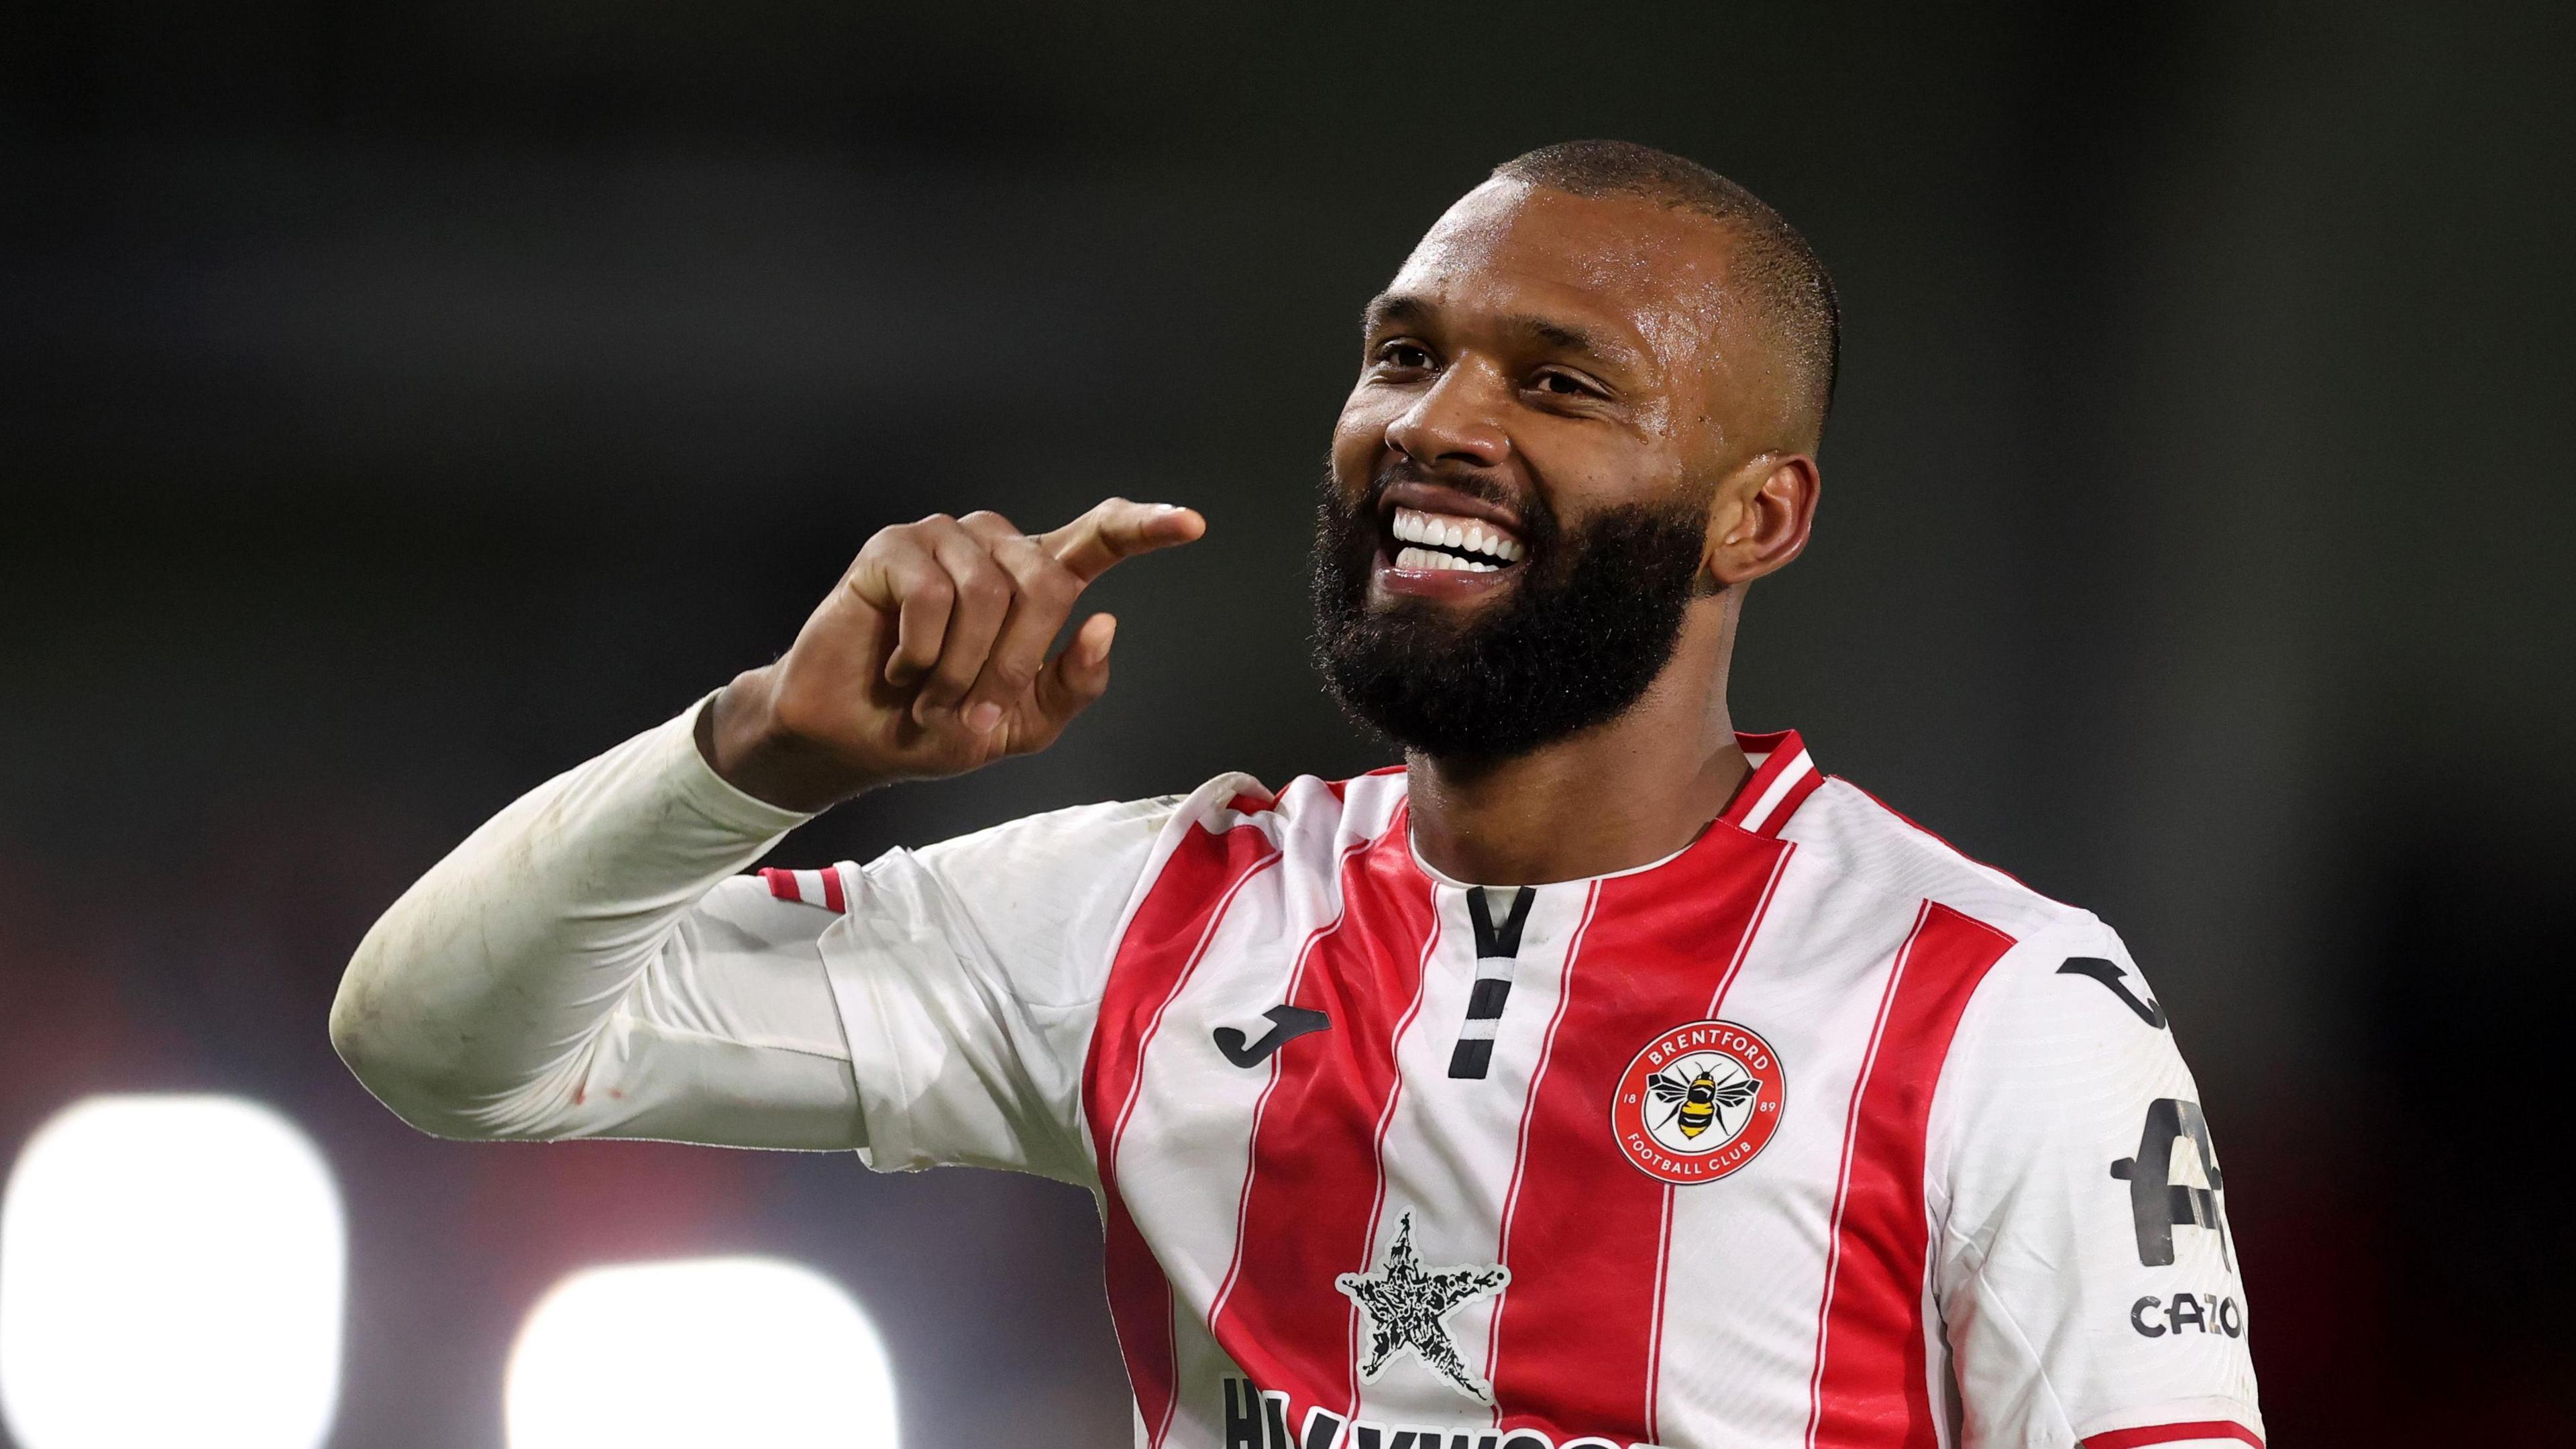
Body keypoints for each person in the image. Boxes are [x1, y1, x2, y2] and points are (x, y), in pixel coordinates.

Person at [331, 140, 2260, 1449]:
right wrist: (759, 755)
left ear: (1758, 516)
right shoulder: (1149, 924)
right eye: (1403, 356)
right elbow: (439, 1046)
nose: (1438, 423)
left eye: (1562, 385)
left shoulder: (1999, 1008)